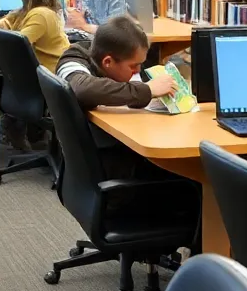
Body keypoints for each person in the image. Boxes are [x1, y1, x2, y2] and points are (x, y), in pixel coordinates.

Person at [56, 14, 175, 177]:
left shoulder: (111, 61)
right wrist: (147, 91)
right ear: (108, 62)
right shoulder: (73, 58)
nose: (138, 71)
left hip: (108, 152)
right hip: (106, 163)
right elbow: (82, 89)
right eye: (133, 66)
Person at [0, 0, 69, 150]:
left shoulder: (41, 15)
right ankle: (24, 127)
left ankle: (17, 124)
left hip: (51, 76)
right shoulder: (32, 12)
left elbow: (17, 43)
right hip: (47, 75)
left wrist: (8, 26)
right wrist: (8, 22)